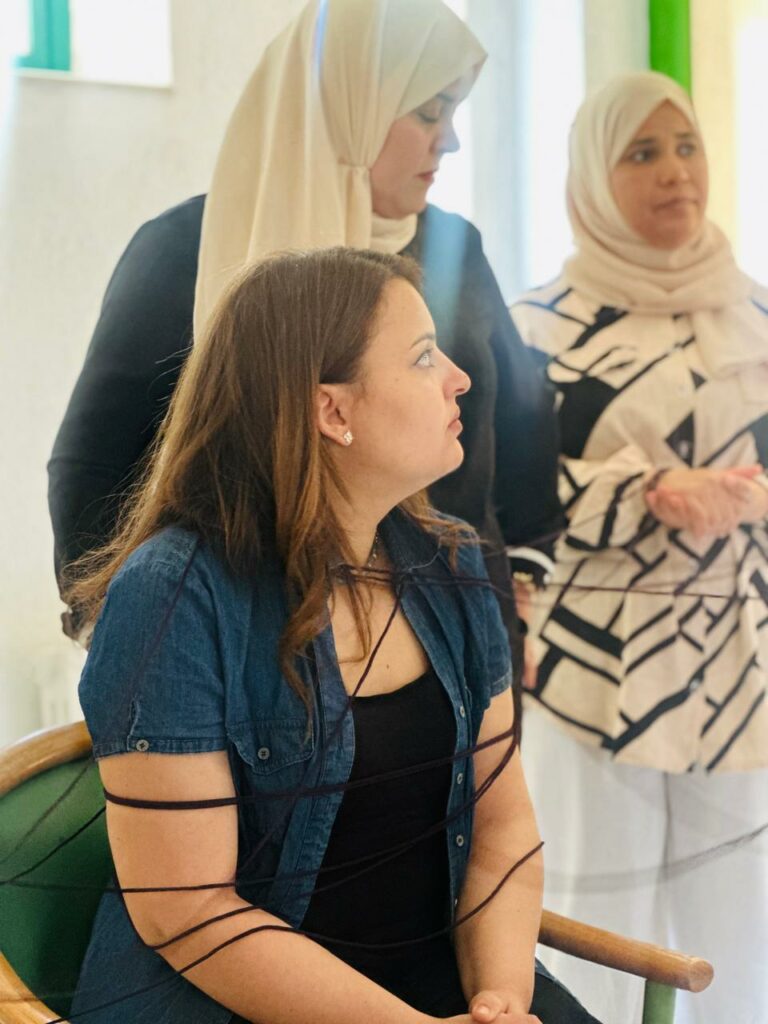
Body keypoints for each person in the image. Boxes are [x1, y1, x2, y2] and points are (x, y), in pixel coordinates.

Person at [67, 247, 599, 1024]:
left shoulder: (450, 563)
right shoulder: (173, 595)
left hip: (438, 987)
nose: (460, 378)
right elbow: (188, 913)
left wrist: (500, 999)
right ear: (333, 413)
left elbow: (502, 826)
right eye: (424, 357)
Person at [47, 0, 561, 679]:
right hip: (260, 652)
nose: (450, 141)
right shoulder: (188, 248)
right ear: (349, 106)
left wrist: (519, 585)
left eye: (453, 113)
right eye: (428, 113)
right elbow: (95, 462)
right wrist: (127, 635)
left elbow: (519, 420)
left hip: (455, 630)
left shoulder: (455, 249)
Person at [509, 71, 768, 1024]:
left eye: (687, 146)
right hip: (593, 666)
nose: (675, 173)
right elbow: (508, 496)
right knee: (598, 929)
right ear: (590, 175)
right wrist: (644, 491)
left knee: (739, 936)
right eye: (643, 153)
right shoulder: (536, 327)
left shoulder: (756, 313)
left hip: (740, 669)